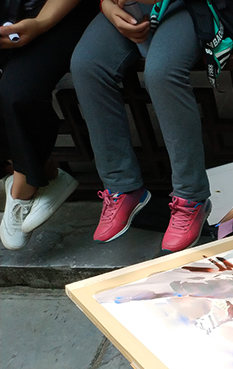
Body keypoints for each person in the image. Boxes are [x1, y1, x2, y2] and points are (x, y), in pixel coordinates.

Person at [70, 0, 210, 253]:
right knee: (86, 66)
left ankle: (192, 197)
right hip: (127, 5)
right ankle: (122, 187)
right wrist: (107, 5)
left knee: (161, 73)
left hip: (188, 5)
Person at [0, 0, 95, 250]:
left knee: (19, 93)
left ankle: (24, 186)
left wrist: (41, 23)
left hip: (60, 14)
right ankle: (39, 170)